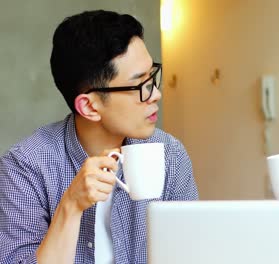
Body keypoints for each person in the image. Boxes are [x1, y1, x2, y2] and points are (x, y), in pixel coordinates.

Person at [0, 10, 198, 263]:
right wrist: (70, 205)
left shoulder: (169, 154)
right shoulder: (25, 167)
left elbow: (189, 252)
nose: (155, 94)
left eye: (152, 76)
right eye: (140, 85)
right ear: (90, 107)